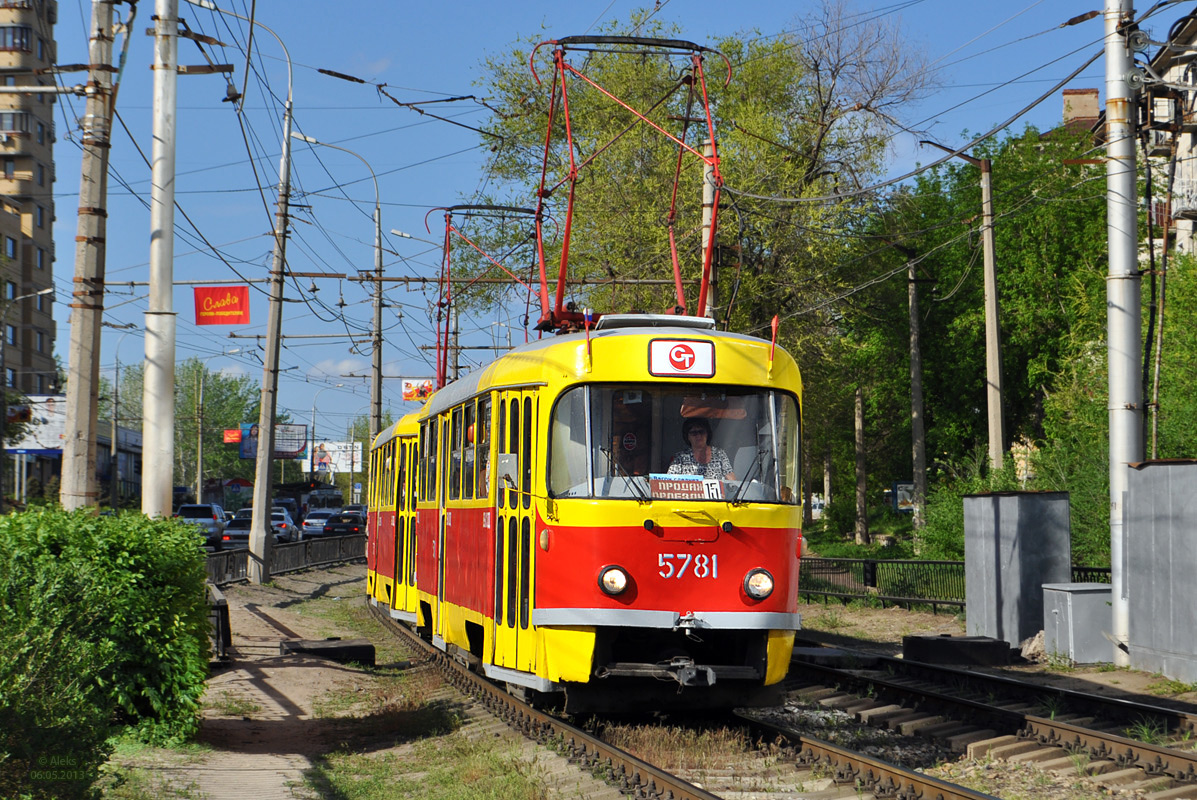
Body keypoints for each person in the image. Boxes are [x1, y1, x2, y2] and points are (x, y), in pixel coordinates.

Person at [667, 417, 735, 480]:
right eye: (694, 433)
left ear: (707, 434)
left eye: (701, 432)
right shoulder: (680, 458)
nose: (699, 436)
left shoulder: (719, 454)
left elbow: (732, 481)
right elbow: (669, 482)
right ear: (687, 437)